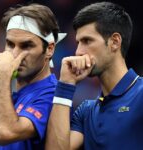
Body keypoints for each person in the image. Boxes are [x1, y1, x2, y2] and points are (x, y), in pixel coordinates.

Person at [45, 1, 143, 150]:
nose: (78, 52)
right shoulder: (86, 111)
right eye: (78, 42)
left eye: (87, 41)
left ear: (114, 42)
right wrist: (65, 85)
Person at [0, 3, 66, 150]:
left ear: (49, 49)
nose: (15, 54)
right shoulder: (12, 91)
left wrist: (2, 78)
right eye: (10, 44)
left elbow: (3, 133)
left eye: (26, 46)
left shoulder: (52, 95)